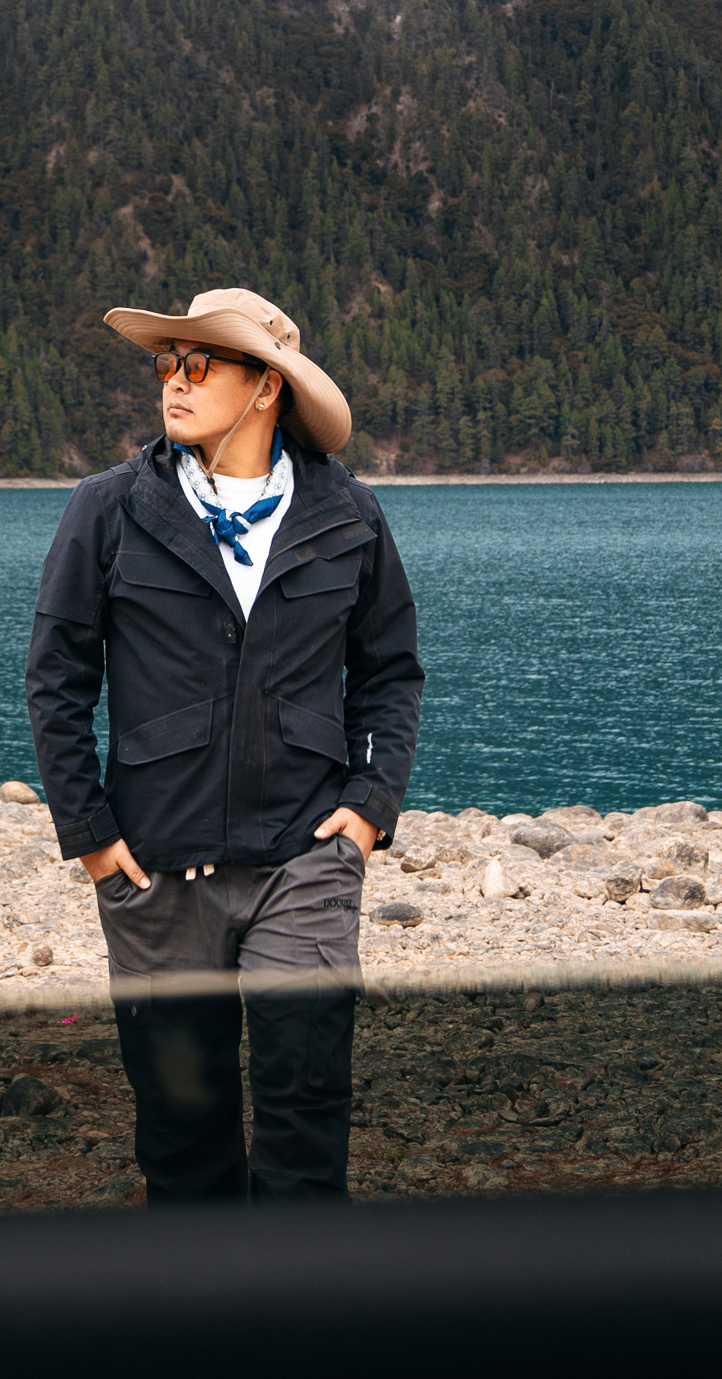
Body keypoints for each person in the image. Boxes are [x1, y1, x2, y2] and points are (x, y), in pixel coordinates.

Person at [23, 286, 424, 1203]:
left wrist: (369, 809)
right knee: (183, 1143)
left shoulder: (349, 514)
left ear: (266, 386)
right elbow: (56, 678)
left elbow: (390, 673)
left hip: (305, 863)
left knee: (305, 1126)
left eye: (200, 363)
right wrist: (92, 838)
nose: (174, 379)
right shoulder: (108, 508)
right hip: (157, 873)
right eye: (167, 362)